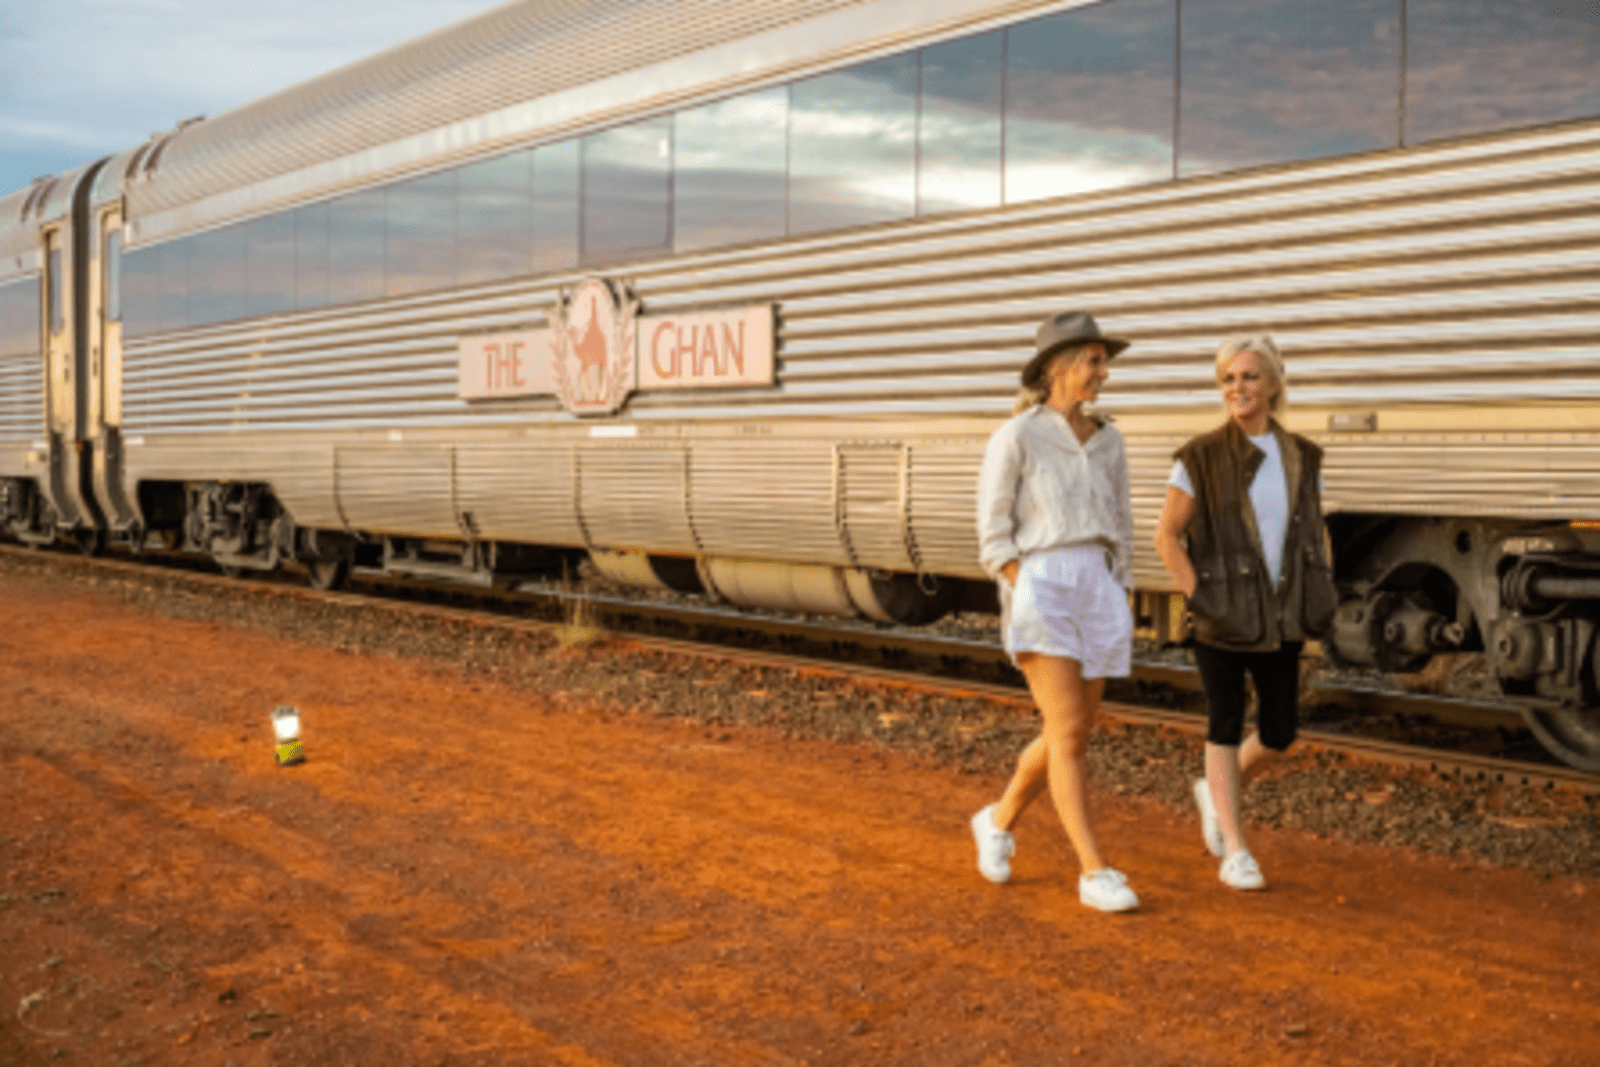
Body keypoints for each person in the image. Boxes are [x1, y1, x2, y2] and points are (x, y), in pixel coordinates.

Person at [1153, 334, 1337, 891]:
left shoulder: (1303, 456)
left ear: (1275, 385)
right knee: (1224, 724)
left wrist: (1322, 586)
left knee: (1281, 730)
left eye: (1250, 376)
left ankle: (1215, 791)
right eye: (1228, 378)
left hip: (1280, 616)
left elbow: (1314, 530)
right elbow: (1167, 536)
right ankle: (1235, 849)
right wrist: (1199, 597)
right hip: (1222, 616)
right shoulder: (1201, 457)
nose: (1238, 388)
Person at [970, 310, 1139, 913]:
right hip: (1043, 580)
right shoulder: (1016, 436)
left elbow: (1120, 522)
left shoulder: (1109, 438)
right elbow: (993, 533)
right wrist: (1026, 583)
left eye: (1103, 361)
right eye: (1093, 361)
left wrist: (1122, 587)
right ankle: (1094, 870)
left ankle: (997, 819)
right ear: (1056, 368)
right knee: (1067, 732)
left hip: (1097, 581)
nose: (1102, 372)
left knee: (1072, 730)